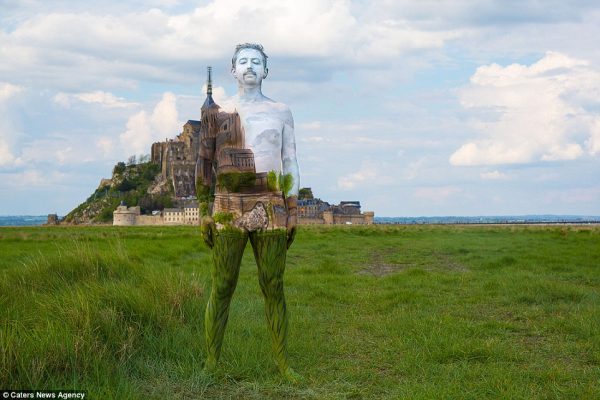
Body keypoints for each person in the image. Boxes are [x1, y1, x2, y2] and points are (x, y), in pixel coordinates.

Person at [197, 43, 301, 382]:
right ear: (233, 70)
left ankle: (284, 364)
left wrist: (294, 209)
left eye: (257, 62)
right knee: (223, 284)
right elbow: (204, 162)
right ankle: (211, 363)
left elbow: (290, 161)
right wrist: (203, 209)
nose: (250, 67)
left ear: (266, 71)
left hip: (272, 205)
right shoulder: (216, 113)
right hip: (227, 207)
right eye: (243, 61)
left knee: (274, 285)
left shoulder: (282, 111)